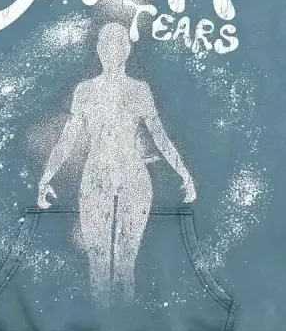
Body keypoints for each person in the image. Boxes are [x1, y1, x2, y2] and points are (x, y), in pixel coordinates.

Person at [37, 22, 196, 302]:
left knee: (125, 265)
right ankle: (101, 322)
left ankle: (124, 321)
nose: (111, 51)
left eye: (118, 44)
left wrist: (184, 174)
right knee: (97, 265)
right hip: (96, 176)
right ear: (98, 49)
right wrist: (46, 177)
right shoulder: (85, 91)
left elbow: (160, 137)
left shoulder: (139, 90)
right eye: (106, 44)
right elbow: (66, 139)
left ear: (127, 50)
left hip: (133, 177)